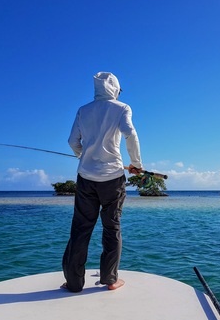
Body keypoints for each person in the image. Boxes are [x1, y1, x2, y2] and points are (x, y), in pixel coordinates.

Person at [62, 71, 143, 292]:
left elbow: (72, 141)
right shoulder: (122, 108)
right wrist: (136, 163)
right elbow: (131, 134)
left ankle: (74, 282)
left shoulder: (83, 110)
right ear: (115, 89)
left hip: (86, 178)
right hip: (113, 179)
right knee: (112, 228)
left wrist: (82, 154)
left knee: (80, 229)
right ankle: (110, 279)